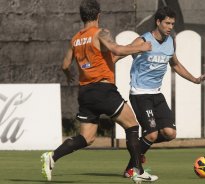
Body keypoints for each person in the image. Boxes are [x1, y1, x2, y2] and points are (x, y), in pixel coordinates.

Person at [40, 0, 158, 183]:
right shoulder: (100, 33)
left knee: (87, 137)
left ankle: (52, 157)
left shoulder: (76, 39)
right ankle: (137, 171)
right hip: (104, 90)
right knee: (133, 126)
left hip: (85, 92)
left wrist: (67, 76)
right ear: (98, 15)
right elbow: (116, 48)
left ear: (82, 16)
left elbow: (64, 65)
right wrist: (140, 47)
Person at [123, 6, 205, 177]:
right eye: (167, 23)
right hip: (140, 94)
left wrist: (195, 79)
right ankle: (132, 167)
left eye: (172, 23)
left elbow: (175, 64)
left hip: (156, 94)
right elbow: (120, 53)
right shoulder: (143, 40)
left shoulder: (171, 41)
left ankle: (137, 152)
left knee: (170, 133)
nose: (170, 26)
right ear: (158, 22)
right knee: (152, 134)